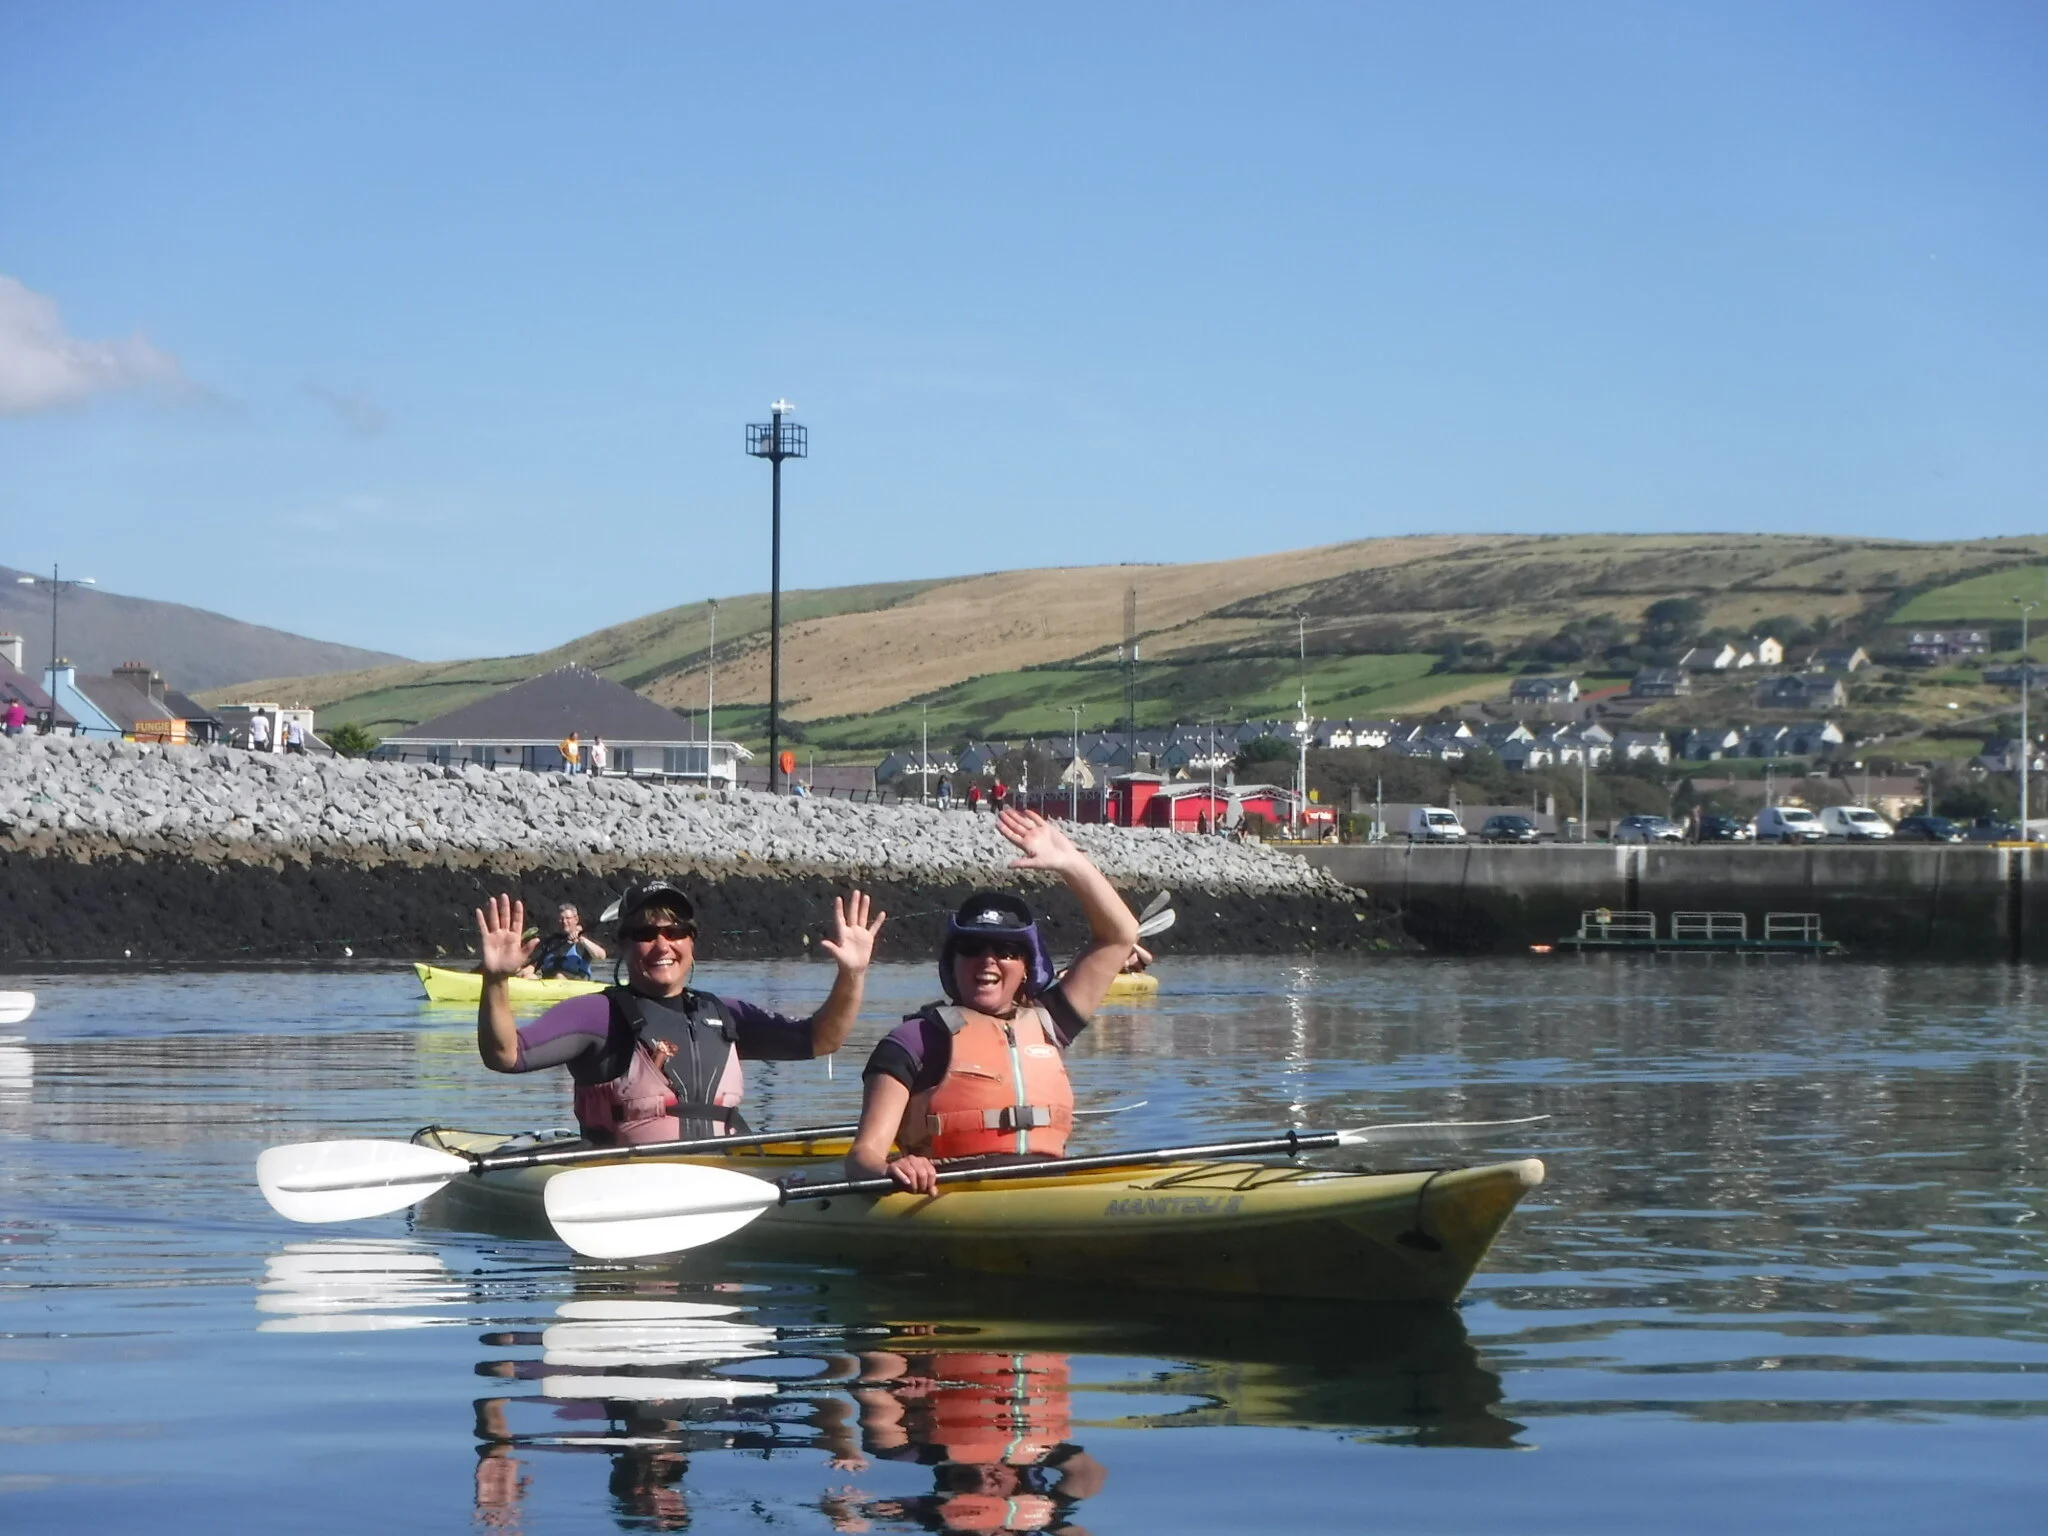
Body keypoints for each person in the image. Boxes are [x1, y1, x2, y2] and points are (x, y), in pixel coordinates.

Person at [846, 808, 1139, 1193]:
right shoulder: (915, 1041)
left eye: (1005, 951)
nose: (988, 960)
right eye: (972, 948)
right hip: (952, 1195)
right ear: (952, 963)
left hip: (1049, 1192)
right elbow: (862, 1157)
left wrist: (1071, 862)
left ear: (1026, 967)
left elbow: (1120, 935)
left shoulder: (1051, 1021)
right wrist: (895, 1167)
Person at [476, 880, 885, 1144]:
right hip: (619, 1184)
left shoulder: (723, 1014)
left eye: (675, 932)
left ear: (692, 942)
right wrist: (495, 981)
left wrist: (853, 974)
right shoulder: (595, 1015)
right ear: (624, 944)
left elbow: (821, 1039)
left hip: (721, 1178)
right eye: (645, 933)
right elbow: (506, 1055)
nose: (662, 945)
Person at [526, 902, 607, 981]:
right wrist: (525, 973)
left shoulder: (585, 940)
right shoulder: (549, 942)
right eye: (561, 919)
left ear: (576, 919)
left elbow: (601, 956)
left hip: (577, 982)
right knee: (528, 976)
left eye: (568, 918)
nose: (564, 922)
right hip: (549, 981)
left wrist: (582, 940)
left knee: (559, 976)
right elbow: (533, 965)